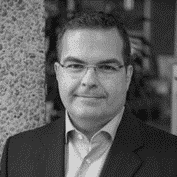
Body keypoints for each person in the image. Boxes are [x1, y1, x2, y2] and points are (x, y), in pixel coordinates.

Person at [1, 11, 177, 177]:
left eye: (106, 67)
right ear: (59, 72)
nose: (89, 80)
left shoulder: (171, 158)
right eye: (75, 66)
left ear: (127, 76)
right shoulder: (17, 152)